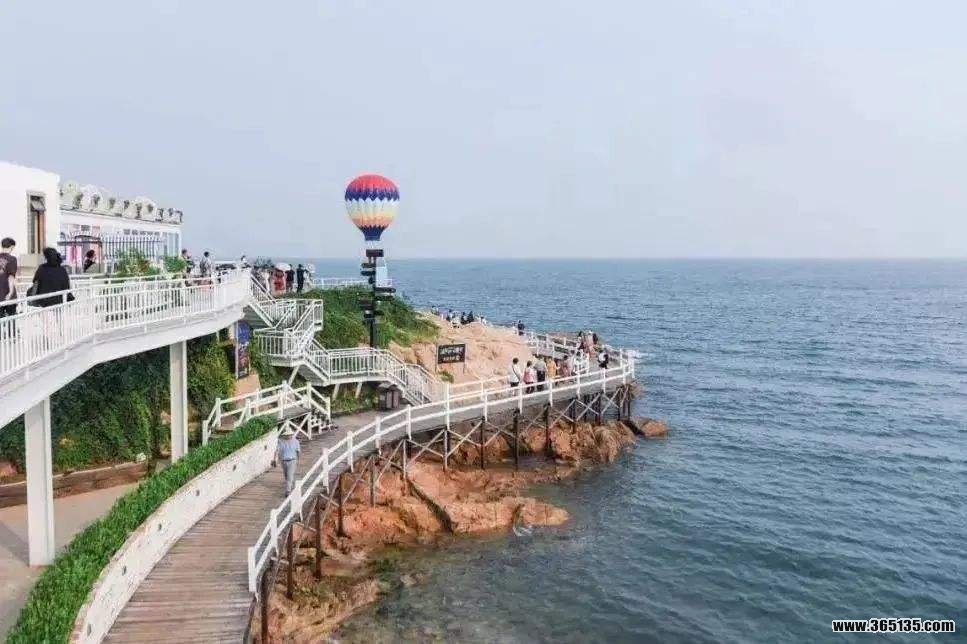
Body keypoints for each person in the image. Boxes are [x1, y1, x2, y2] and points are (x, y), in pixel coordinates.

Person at [274, 426, 301, 495]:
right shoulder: (281, 442)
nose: (288, 436)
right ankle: (290, 484)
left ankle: (288, 490)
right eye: (287, 435)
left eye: (289, 434)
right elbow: (277, 451)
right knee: (286, 475)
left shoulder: (296, 441)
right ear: (284, 435)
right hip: (283, 461)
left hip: (292, 460)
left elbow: (298, 451)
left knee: (289, 475)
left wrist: (298, 459)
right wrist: (275, 459)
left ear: (291, 434)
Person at [0, 237, 18, 319]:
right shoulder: (12, 259)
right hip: (7, 294)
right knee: (11, 319)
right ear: (12, 247)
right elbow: (11, 277)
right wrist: (10, 292)